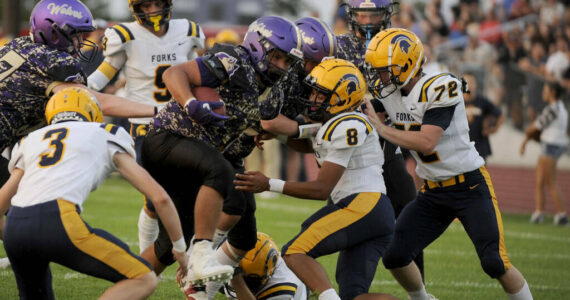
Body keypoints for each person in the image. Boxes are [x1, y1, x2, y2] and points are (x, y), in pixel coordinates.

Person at [365, 28, 533, 300]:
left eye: (384, 70)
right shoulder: (389, 94)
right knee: (395, 255)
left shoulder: (439, 86)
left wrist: (382, 129)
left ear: (407, 65)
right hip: (433, 193)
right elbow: (354, 115)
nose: (379, 77)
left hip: (469, 186)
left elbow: (427, 142)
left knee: (494, 262)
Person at [140, 15, 303, 291]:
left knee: (238, 225)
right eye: (277, 57)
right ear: (258, 46)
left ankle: (128, 288)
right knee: (223, 176)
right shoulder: (235, 60)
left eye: (287, 61)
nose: (281, 66)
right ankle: (200, 257)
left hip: (202, 155)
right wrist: (191, 103)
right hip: (170, 139)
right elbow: (174, 73)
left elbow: (260, 123)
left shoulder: (274, 92)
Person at [0, 87, 188, 300]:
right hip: (57, 218)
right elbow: (160, 197)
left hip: (15, 226)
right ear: (91, 111)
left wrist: (20, 236)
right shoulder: (105, 132)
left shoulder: (31, 139)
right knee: (143, 278)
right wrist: (180, 249)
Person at [235, 59, 398, 300]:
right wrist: (277, 136)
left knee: (295, 252)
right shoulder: (340, 123)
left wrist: (269, 183)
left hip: (363, 206)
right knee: (353, 296)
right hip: (373, 212)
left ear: (341, 97)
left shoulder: (348, 125)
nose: (312, 98)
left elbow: (321, 189)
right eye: (313, 92)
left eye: (320, 94)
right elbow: (310, 143)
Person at [87, 0, 206, 256]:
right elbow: (100, 77)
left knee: (193, 192)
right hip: (144, 128)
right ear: (136, 8)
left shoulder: (188, 31)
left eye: (158, 3)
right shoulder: (125, 35)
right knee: (154, 200)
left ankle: (197, 253)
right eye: (146, 5)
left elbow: (202, 75)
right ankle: (147, 259)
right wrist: (74, 87)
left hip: (182, 124)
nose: (153, 10)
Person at [0, 0, 156, 188]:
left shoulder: (17, 46)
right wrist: (157, 110)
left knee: (16, 197)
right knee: (34, 203)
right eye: (76, 35)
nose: (81, 42)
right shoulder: (54, 62)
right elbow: (95, 101)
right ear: (56, 33)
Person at [337, 0, 424, 278]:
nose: (368, 19)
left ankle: (418, 289)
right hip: (352, 143)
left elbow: (412, 83)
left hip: (386, 139)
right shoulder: (338, 47)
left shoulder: (397, 41)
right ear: (352, 15)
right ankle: (337, 285)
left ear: (386, 15)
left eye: (374, 13)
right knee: (346, 215)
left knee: (409, 206)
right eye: (363, 13)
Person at [520, 81, 569, 226]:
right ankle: (539, 213)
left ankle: (562, 215)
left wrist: (526, 138)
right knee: (539, 181)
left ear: (552, 92)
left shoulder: (553, 109)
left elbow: (534, 127)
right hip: (551, 145)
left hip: (551, 146)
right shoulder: (559, 108)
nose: (543, 92)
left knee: (550, 181)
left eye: (545, 89)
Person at [222, 232, 307, 300]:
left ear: (270, 272)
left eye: (252, 280)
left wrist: (237, 280)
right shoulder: (225, 254)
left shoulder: (283, 285)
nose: (248, 284)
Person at [462, 72, 504, 162]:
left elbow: (500, 114)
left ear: (476, 84)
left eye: (471, 82)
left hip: (480, 145)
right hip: (462, 146)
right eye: (466, 82)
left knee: (481, 174)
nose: (469, 85)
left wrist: (494, 129)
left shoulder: (482, 101)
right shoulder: (456, 102)